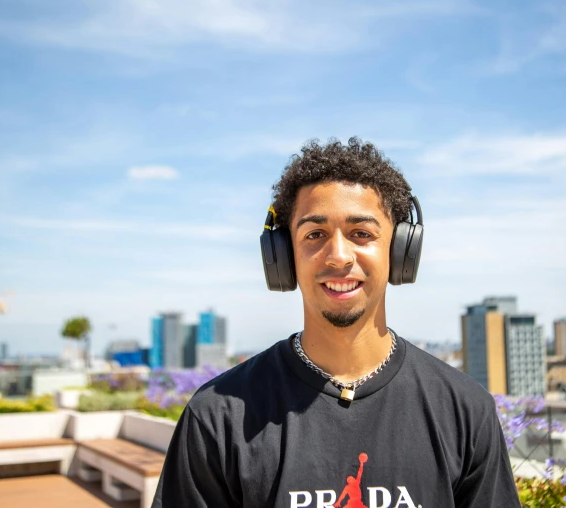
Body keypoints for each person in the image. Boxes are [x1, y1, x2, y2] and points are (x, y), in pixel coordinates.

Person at [152, 137, 520, 508]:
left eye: (362, 233)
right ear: (283, 257)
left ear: (399, 251)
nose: (339, 256)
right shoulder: (218, 416)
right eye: (315, 234)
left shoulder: (465, 409)